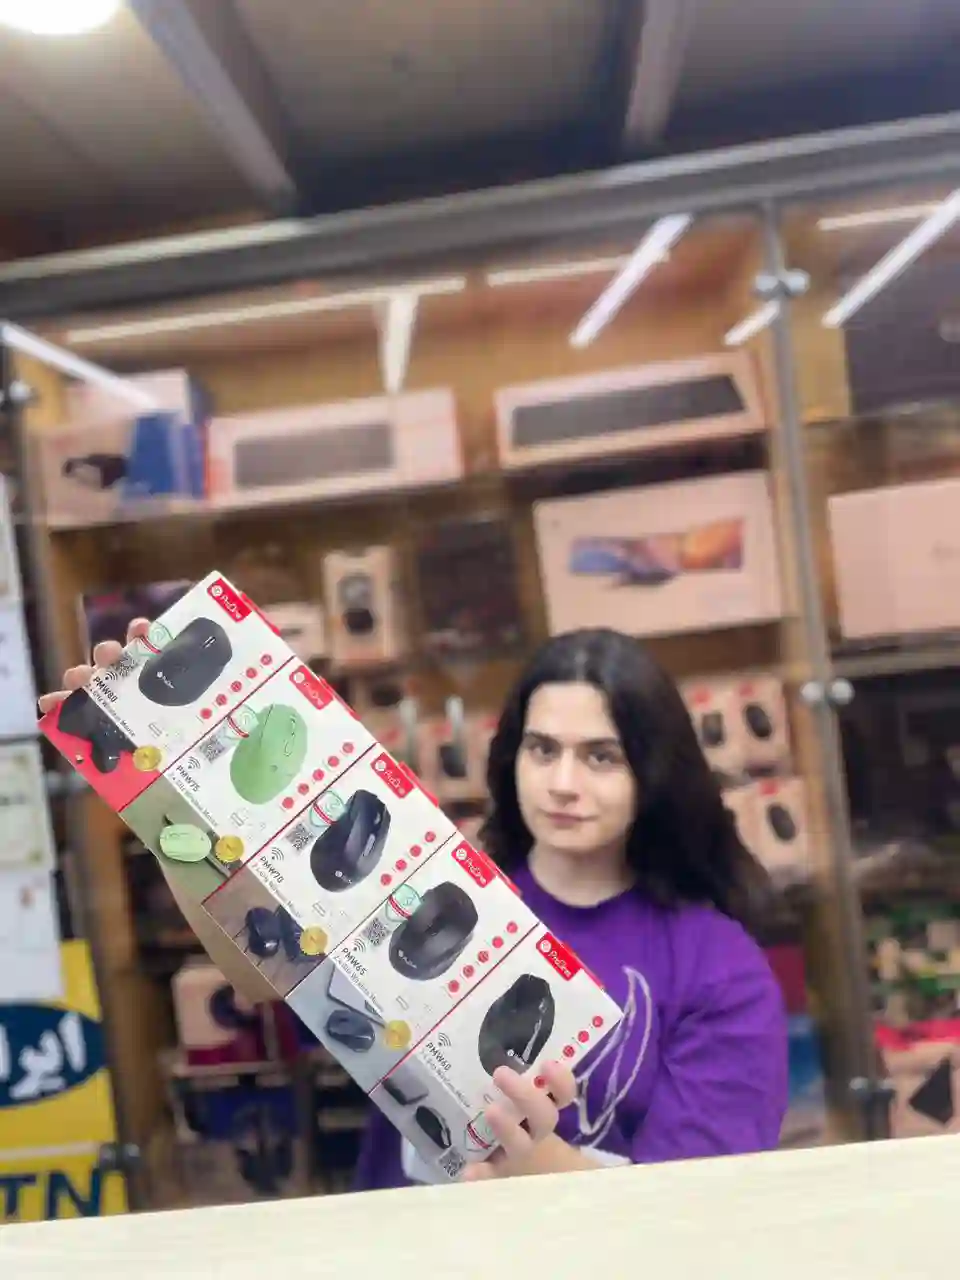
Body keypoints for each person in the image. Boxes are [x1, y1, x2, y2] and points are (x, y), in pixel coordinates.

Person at [41, 625, 787, 1190]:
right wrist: (156, 796)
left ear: (654, 773)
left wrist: (537, 1164)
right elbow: (260, 970)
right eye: (541, 749)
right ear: (510, 757)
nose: (563, 783)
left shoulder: (718, 967)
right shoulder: (430, 884)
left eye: (601, 756)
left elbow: (698, 1211)